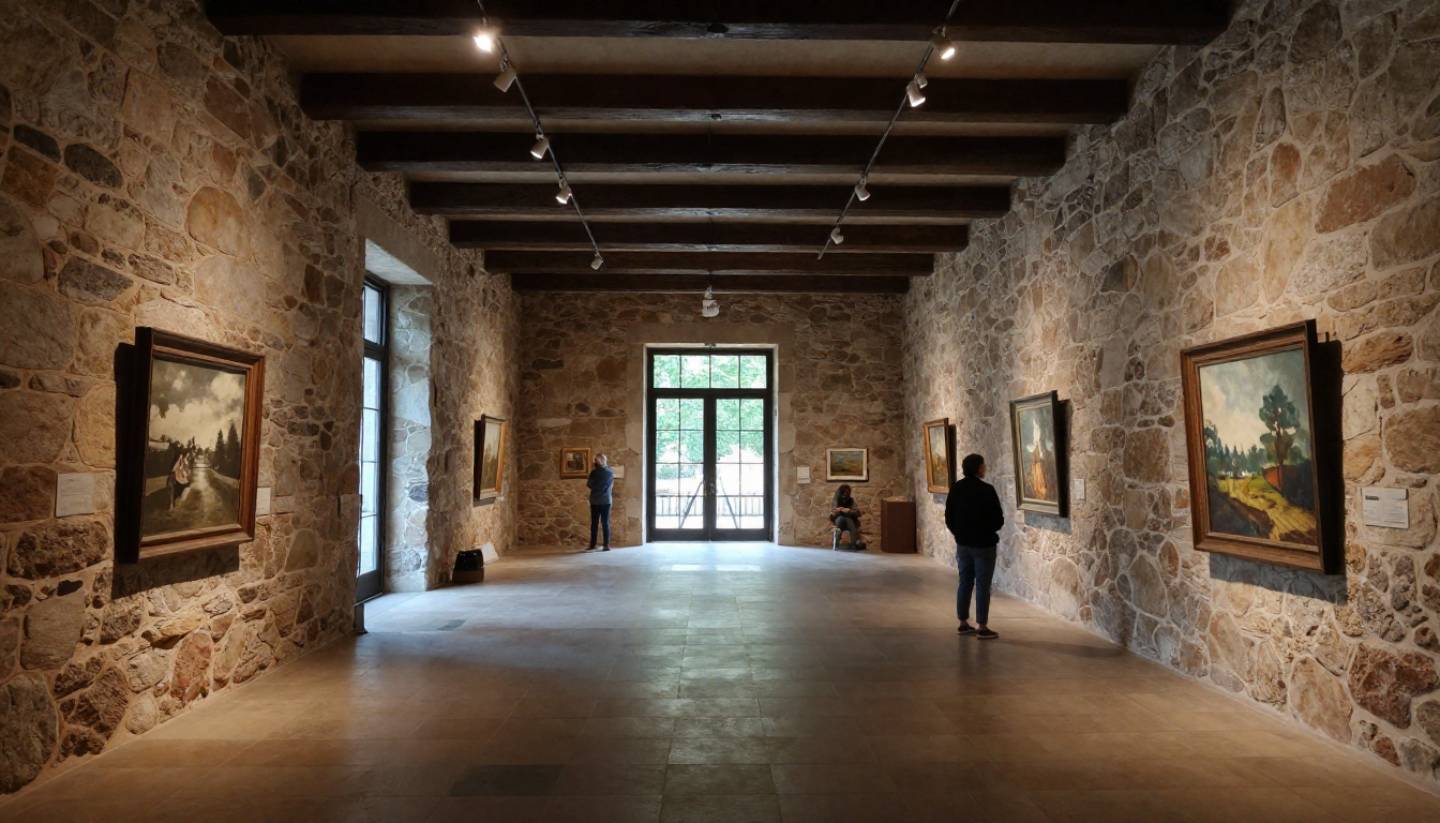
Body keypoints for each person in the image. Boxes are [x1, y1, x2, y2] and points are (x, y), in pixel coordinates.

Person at [944, 453, 1004, 639]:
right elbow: (998, 519)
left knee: (965, 582)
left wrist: (959, 534)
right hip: (984, 544)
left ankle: (963, 623)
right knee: (983, 585)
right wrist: (988, 530)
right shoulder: (987, 490)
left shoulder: (956, 488)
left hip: (963, 544)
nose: (985, 468)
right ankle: (982, 626)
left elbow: (949, 517)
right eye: (983, 465)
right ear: (978, 468)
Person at [586, 453, 614, 551]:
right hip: (604, 500)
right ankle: (605, 545)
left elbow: (590, 484)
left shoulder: (595, 472)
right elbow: (606, 486)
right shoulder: (609, 472)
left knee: (597, 523)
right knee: (603, 523)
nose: (595, 462)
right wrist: (599, 487)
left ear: (600, 461)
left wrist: (596, 486)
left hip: (597, 500)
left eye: (596, 460)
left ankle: (594, 545)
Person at [831, 484, 865, 550]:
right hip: (839, 518)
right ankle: (836, 544)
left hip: (849, 518)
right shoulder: (836, 500)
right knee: (840, 521)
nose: (845, 495)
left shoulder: (851, 500)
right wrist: (837, 510)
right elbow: (832, 513)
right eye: (844, 494)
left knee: (851, 525)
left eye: (847, 494)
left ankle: (853, 544)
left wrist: (849, 511)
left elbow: (857, 513)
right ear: (841, 493)